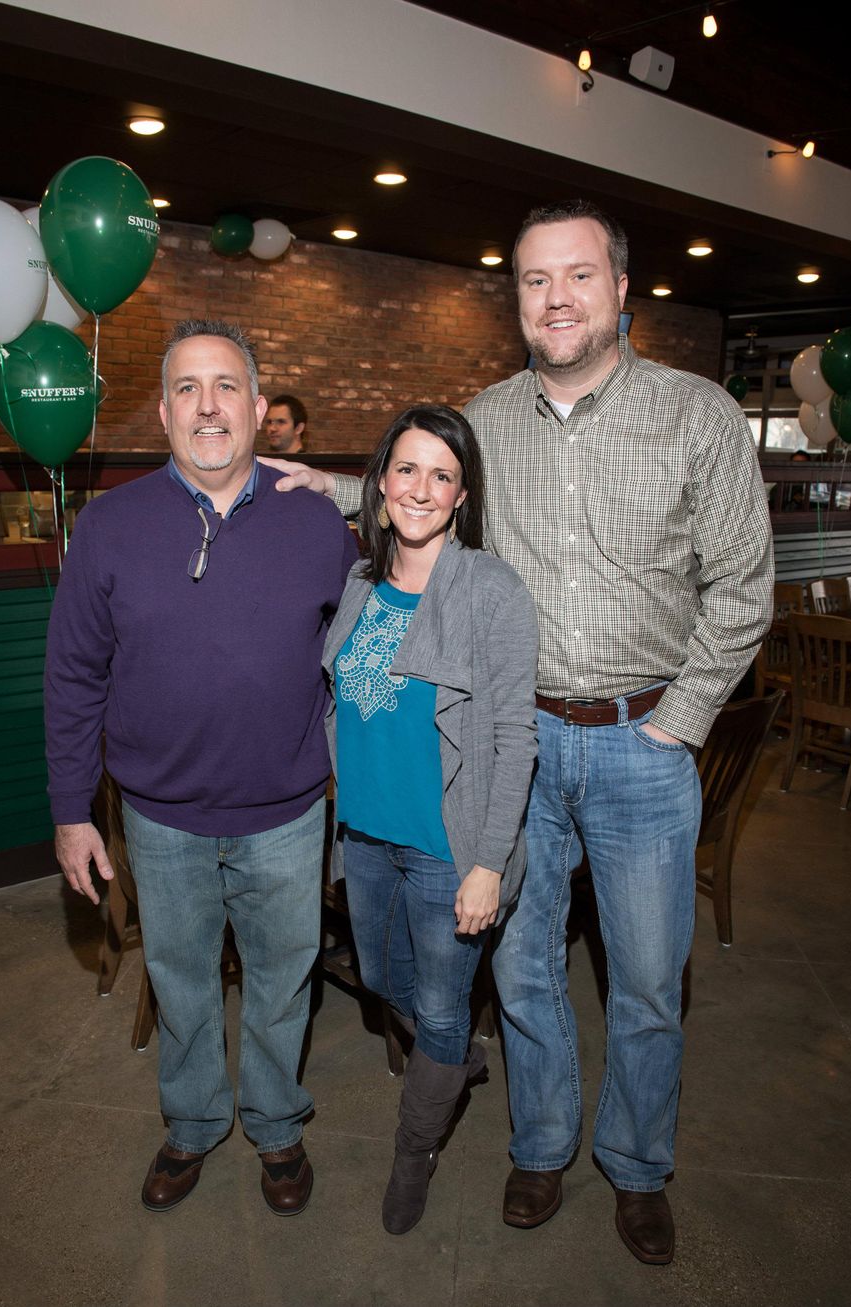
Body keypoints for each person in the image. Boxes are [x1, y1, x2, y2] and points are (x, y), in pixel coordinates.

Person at [264, 200, 773, 1264]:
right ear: (516, 299)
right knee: (525, 970)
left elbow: (740, 589)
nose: (554, 298)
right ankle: (539, 1145)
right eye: (534, 280)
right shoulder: (485, 418)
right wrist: (327, 483)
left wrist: (675, 725)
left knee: (642, 982)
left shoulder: (697, 413)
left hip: (644, 741)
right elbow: (416, 489)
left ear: (621, 289)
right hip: (516, 743)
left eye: (577, 275)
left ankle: (634, 1164)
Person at [45, 319, 357, 1218]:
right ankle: (190, 1123)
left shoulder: (314, 520)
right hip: (161, 816)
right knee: (181, 980)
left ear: (260, 410)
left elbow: (387, 601)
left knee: (280, 978)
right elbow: (71, 673)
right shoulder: (109, 525)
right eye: (188, 388)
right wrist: (73, 811)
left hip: (290, 813)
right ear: (163, 412)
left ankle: (275, 1121)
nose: (208, 405)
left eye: (226, 386)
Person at [323, 404, 538, 1235]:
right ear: (381, 482)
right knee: (381, 980)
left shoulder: (491, 590)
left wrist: (489, 860)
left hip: (449, 847)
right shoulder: (359, 582)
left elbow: (516, 735)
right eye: (406, 469)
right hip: (369, 836)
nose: (421, 487)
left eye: (440, 474)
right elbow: (338, 702)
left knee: (444, 1008)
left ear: (461, 494)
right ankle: (452, 1062)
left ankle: (415, 1149)